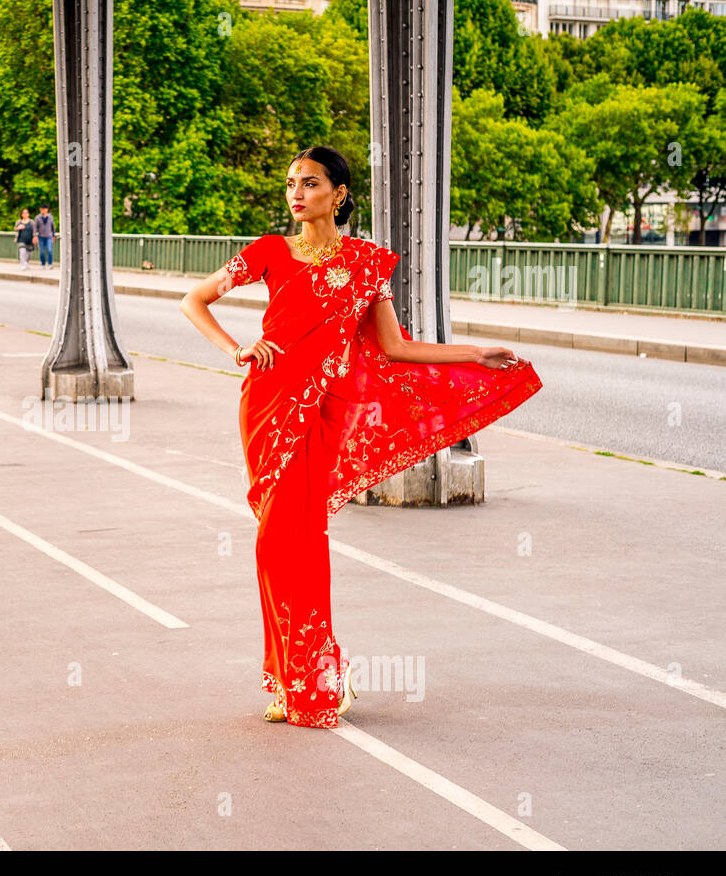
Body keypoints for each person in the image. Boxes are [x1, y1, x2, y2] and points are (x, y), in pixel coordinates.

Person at [178, 145, 543, 729]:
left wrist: (475, 351)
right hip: (269, 405)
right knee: (274, 545)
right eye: (291, 182)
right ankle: (291, 677)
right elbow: (192, 300)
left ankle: (316, 678)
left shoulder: (369, 263)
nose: (296, 193)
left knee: (300, 542)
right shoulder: (270, 252)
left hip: (323, 411)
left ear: (339, 194)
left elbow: (396, 348)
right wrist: (237, 348)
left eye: (311, 183)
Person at [34, 204, 56, 269]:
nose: (42, 210)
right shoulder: (37, 217)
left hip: (49, 236)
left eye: (44, 209)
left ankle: (50, 263)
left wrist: (53, 235)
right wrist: (35, 236)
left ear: (46, 209)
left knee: (50, 250)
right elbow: (35, 227)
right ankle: (43, 263)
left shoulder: (50, 217)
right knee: (42, 251)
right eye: (41, 209)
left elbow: (53, 227)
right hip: (41, 236)